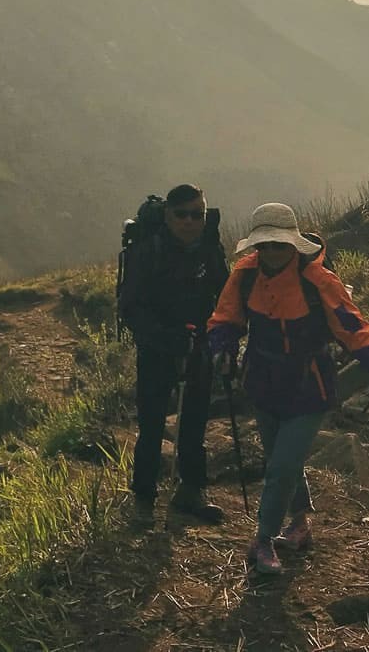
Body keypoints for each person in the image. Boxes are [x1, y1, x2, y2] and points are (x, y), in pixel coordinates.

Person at [209, 202, 369, 575]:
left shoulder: (318, 280)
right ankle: (299, 525)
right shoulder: (245, 274)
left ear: (294, 244)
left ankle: (263, 540)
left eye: (279, 244)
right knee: (281, 460)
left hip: (308, 385)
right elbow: (225, 318)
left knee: (282, 464)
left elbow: (352, 326)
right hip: (262, 381)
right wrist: (222, 349)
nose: (271, 252)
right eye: (264, 245)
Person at [119, 183, 230, 524]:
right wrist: (166, 338)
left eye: (197, 214)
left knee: (195, 421)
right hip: (156, 349)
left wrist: (222, 336)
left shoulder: (210, 248)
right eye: (182, 214)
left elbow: (226, 295)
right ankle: (144, 498)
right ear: (167, 215)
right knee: (151, 424)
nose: (189, 221)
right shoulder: (148, 250)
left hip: (198, 346)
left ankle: (191, 490)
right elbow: (130, 307)